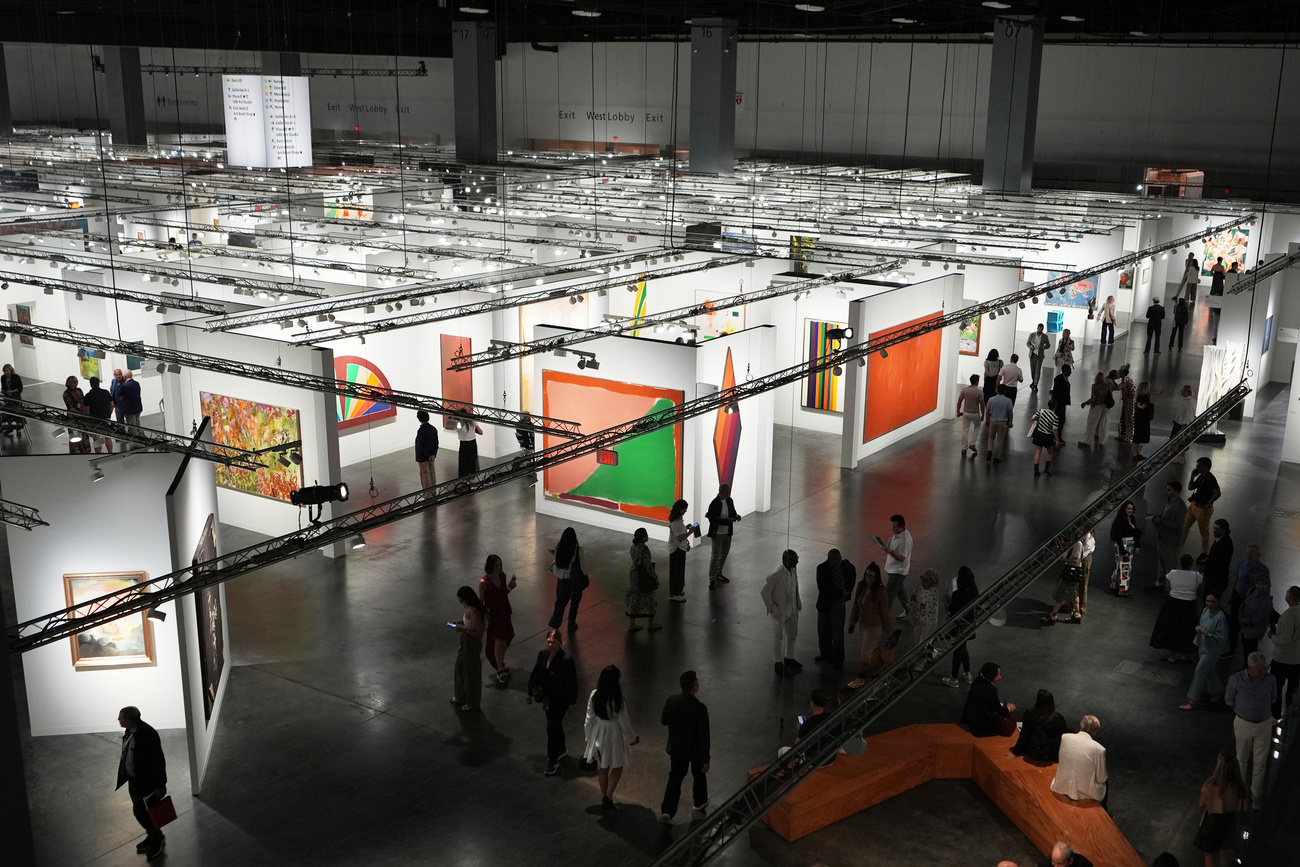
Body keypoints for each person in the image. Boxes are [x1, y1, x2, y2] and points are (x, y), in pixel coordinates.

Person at [583, 665, 639, 810]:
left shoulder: (594, 695)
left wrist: (589, 739)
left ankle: (604, 796)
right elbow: (625, 723)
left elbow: (589, 718)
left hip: (599, 732)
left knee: (603, 767)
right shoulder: (618, 699)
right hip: (614, 734)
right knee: (617, 765)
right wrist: (632, 739)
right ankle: (608, 795)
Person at [1225, 652, 1277, 803]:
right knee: (1241, 758)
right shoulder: (1236, 679)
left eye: (1264, 669)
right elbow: (1229, 700)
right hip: (1243, 723)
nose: (1263, 673)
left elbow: (1273, 698)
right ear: (1250, 668)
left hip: (1264, 724)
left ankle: (1256, 797)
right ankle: (1240, 794)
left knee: (1261, 761)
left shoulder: (1270, 680)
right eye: (1259, 670)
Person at [116, 705, 168, 859]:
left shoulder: (148, 734)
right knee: (142, 811)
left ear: (130, 720)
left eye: (121, 717)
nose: (118, 719)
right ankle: (153, 834)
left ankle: (156, 838)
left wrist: (160, 785)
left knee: (141, 811)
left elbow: (158, 761)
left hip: (146, 782)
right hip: (134, 780)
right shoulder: (130, 731)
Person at [660, 670, 710, 823]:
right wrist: (706, 758)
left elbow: (663, 721)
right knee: (699, 775)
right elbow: (704, 736)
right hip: (695, 751)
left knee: (675, 777)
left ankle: (667, 811)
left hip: (676, 750)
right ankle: (699, 803)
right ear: (694, 687)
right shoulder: (700, 709)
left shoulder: (672, 701)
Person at [526, 628, 578, 776]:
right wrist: (531, 691)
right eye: (548, 642)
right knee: (555, 725)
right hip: (548, 699)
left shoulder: (566, 660)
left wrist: (572, 701)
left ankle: (552, 760)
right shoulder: (543, 655)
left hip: (560, 700)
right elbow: (536, 673)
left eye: (553, 642)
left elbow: (571, 682)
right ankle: (561, 749)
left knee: (552, 728)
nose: (550, 645)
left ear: (560, 643)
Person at [1194, 751, 1249, 867]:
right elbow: (1245, 807)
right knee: (1222, 854)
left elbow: (1201, 803)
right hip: (1230, 824)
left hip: (1212, 825)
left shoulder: (1211, 785)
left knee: (1209, 856)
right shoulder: (1239, 787)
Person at [848, 562, 894, 687]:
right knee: (872, 650)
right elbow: (856, 606)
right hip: (863, 625)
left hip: (875, 626)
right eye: (866, 575)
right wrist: (853, 621)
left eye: (871, 576)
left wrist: (889, 631)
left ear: (876, 577)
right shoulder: (861, 586)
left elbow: (885, 611)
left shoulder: (880, 591)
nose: (868, 578)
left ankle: (860, 678)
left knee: (865, 652)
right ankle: (881, 667)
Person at [1150, 554, 1202, 662]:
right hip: (1189, 605)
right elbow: (1198, 591)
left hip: (1173, 604)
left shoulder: (1173, 573)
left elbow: (1167, 587)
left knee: (1171, 627)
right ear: (1191, 564)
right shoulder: (1197, 576)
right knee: (1186, 628)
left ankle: (1171, 655)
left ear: (1180, 563)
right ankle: (1184, 653)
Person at [1181, 593, 1229, 710]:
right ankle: (1218, 691)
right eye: (1207, 601)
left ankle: (1192, 700)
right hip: (1203, 646)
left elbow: (1222, 638)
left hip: (1213, 650)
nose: (1209, 604)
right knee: (1209, 671)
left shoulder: (1221, 618)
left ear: (1218, 602)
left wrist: (1206, 633)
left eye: (1212, 601)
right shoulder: (1205, 610)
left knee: (1200, 671)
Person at [761, 550, 803, 677]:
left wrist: (797, 604)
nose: (797, 561)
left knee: (792, 635)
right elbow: (764, 592)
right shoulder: (776, 574)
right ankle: (778, 662)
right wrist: (772, 608)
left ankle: (789, 658)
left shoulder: (793, 570)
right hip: (780, 612)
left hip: (792, 609)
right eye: (795, 559)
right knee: (778, 638)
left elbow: (795, 587)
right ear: (786, 560)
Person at [1052, 715, 1107, 808]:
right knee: (1105, 781)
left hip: (1061, 785)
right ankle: (1105, 809)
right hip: (1085, 792)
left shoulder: (1065, 737)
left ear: (1081, 725)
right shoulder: (1099, 750)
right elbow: (1101, 778)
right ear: (1095, 731)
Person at [815, 548, 857, 668]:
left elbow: (853, 573)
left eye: (838, 560)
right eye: (834, 561)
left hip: (838, 604)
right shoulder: (821, 568)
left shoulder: (846, 566)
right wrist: (841, 593)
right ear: (828, 560)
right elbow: (823, 589)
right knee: (823, 631)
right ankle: (825, 654)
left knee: (837, 633)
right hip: (825, 603)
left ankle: (838, 658)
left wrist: (849, 589)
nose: (837, 563)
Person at [479, 555, 517, 684]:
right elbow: (481, 602)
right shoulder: (484, 582)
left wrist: (510, 587)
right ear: (490, 566)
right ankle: (500, 667)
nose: (499, 568)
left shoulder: (502, 575)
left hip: (504, 611)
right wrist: (482, 618)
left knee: (505, 638)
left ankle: (500, 662)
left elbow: (502, 593)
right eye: (496, 565)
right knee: (498, 640)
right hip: (493, 614)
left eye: (500, 565)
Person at [451, 585, 487, 712]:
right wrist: (461, 622)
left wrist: (463, 630)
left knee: (471, 673)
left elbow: (479, 634)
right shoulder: (470, 610)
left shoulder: (476, 612)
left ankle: (472, 702)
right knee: (460, 668)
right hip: (465, 642)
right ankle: (460, 695)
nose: (461, 603)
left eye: (462, 601)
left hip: (472, 644)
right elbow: (469, 623)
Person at [942, 566, 978, 687]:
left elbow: (953, 611)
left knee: (957, 650)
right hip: (968, 625)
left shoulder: (957, 594)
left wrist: (948, 603)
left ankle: (953, 679)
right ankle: (967, 674)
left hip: (958, 626)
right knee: (963, 648)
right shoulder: (974, 591)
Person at [1229, 544, 1269, 654]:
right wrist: (1231, 595)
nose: (1248, 556)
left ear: (1258, 555)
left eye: (1251, 554)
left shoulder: (1263, 570)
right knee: (1233, 623)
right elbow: (1236, 579)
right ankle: (1231, 648)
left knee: (1249, 629)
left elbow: (1266, 588)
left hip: (1250, 602)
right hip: (1238, 596)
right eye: (1247, 553)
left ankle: (1249, 655)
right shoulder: (1241, 564)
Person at [1011, 689, 1068, 762]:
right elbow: (1065, 736)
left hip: (1033, 751)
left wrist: (1015, 752)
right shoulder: (1058, 718)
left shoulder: (1029, 715)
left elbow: (1024, 736)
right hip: (1051, 754)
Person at [1150, 481, 1188, 588]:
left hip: (1171, 541)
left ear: (1176, 492)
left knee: (1171, 565)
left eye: (1169, 490)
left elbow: (1178, 526)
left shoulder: (1181, 506)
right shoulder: (1169, 501)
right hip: (1162, 538)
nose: (1166, 491)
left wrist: (1161, 521)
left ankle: (1170, 588)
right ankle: (1160, 582)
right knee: (1161, 564)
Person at [962, 661, 1015, 737]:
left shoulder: (977, 681)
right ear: (990, 675)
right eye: (997, 675)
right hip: (981, 724)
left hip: (969, 718)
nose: (1000, 677)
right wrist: (1009, 708)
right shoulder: (990, 689)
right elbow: (1000, 711)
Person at [1270, 586, 1300, 719]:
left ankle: (1276, 715)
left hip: (1282, 659)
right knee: (1292, 690)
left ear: (1289, 597)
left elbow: (1285, 639)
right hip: (1297, 659)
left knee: (1276, 688)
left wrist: (1272, 636)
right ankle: (1290, 716)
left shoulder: (1289, 615)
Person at [548, 527, 587, 630]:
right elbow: (583, 568)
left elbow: (556, 566)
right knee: (574, 603)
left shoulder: (559, 549)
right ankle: (571, 624)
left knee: (560, 602)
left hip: (562, 580)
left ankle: (555, 623)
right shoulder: (578, 551)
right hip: (575, 581)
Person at [877, 514, 914, 619]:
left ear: (902, 526)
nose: (892, 529)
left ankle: (884, 618)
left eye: (894, 527)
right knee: (899, 591)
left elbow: (902, 558)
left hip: (898, 571)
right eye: (892, 526)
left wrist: (891, 551)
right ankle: (909, 609)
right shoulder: (898, 533)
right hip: (892, 568)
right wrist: (887, 547)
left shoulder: (905, 540)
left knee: (888, 595)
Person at [704, 483, 740, 588]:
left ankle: (718, 573)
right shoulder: (714, 503)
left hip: (727, 533)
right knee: (715, 556)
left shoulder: (730, 500)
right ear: (721, 492)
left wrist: (736, 516)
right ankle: (712, 578)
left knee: (724, 554)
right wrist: (726, 521)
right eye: (726, 492)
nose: (728, 494)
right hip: (718, 533)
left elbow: (732, 512)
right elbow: (712, 519)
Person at [1183, 457, 1222, 556]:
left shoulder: (1210, 479)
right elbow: (1190, 487)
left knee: (1204, 532)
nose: (1197, 468)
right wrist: (1192, 477)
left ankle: (1205, 552)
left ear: (1206, 466)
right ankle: (1180, 543)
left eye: (1199, 466)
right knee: (1185, 525)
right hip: (1194, 506)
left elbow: (1217, 493)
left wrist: (1208, 503)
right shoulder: (1201, 476)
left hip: (1202, 509)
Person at [626, 527, 661, 631]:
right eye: (646, 535)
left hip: (634, 574)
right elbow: (647, 566)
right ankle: (651, 623)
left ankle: (632, 624)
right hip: (644, 576)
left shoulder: (633, 547)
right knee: (650, 598)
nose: (647, 536)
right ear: (642, 537)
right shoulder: (645, 549)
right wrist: (655, 577)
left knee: (634, 598)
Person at [1041, 546, 1084, 625]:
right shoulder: (1076, 544)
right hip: (1073, 573)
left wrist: (1062, 559)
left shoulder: (1078, 544)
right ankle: (1077, 614)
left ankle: (1053, 615)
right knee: (1074, 593)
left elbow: (1076, 560)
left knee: (1061, 592)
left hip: (1071, 572)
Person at [1109, 500, 1141, 598]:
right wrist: (1124, 551)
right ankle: (1122, 591)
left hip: (1129, 545)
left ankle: (1115, 584)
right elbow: (1118, 536)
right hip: (1123, 546)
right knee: (1125, 568)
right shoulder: (1120, 520)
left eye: (1131, 509)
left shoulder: (1132, 518)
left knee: (1121, 566)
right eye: (1128, 508)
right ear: (1124, 509)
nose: (1130, 510)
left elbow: (1135, 532)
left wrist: (1136, 545)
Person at [1238, 576, 1274, 660]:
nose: (1260, 586)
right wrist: (1241, 615)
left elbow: (1259, 618)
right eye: (1258, 583)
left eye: (1263, 584)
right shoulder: (1252, 590)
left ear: (1268, 585)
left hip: (1254, 630)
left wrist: (1243, 621)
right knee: (1245, 650)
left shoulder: (1266, 600)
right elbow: (1244, 604)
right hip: (1245, 627)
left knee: (1251, 652)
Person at [1078, 371, 1115, 448]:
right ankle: (1102, 441)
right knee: (1103, 424)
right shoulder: (1107, 386)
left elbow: (1093, 398)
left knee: (1091, 424)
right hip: (1105, 407)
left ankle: (1087, 441)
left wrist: (1085, 403)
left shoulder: (1095, 386)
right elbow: (1110, 395)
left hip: (1097, 406)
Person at [667, 499, 693, 602]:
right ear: (681, 509)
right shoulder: (677, 522)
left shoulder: (676, 521)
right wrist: (690, 532)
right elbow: (680, 538)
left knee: (676, 572)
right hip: (677, 550)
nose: (686, 511)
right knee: (678, 572)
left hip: (676, 550)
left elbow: (678, 534)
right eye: (685, 509)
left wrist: (685, 528)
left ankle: (675, 592)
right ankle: (675, 593)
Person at [1202, 519, 1234, 603]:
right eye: (1214, 528)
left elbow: (1217, 563)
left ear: (1224, 530)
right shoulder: (1221, 539)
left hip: (1216, 579)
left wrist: (1206, 572)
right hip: (1214, 578)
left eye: (1217, 529)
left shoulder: (1224, 545)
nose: (1214, 531)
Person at [82, 375, 115, 453]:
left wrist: (87, 419)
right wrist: (109, 414)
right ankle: (110, 452)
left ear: (91, 384)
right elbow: (112, 405)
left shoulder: (88, 395)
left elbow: (87, 410)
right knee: (107, 436)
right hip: (105, 418)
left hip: (94, 420)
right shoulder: (106, 392)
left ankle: (98, 454)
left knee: (96, 437)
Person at [1030, 399, 1062, 477]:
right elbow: (1054, 429)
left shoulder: (1041, 411)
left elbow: (1032, 418)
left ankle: (1036, 470)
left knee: (1038, 452)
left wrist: (1039, 420)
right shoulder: (1055, 417)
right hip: (1048, 436)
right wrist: (1057, 440)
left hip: (1039, 434)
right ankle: (1046, 469)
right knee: (1050, 452)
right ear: (1055, 407)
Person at [956, 373, 985, 456]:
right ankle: (972, 443)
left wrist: (958, 411)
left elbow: (959, 402)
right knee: (977, 427)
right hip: (975, 413)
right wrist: (983, 414)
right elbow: (982, 404)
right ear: (977, 382)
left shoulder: (964, 390)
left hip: (966, 413)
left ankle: (964, 448)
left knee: (965, 430)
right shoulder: (979, 392)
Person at [909, 568, 941, 645]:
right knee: (917, 643)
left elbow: (926, 611)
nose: (922, 581)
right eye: (921, 578)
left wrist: (916, 604)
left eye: (925, 580)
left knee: (924, 644)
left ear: (932, 582)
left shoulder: (934, 593)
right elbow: (910, 601)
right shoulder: (918, 587)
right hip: (918, 619)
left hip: (928, 623)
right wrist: (920, 605)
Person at [985, 385, 1015, 465]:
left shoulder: (991, 399)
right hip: (1003, 422)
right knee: (999, 440)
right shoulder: (1008, 401)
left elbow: (987, 412)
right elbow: (1010, 413)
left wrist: (987, 421)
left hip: (993, 421)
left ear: (996, 390)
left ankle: (989, 450)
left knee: (991, 437)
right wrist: (1010, 422)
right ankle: (996, 457)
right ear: (1005, 391)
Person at [414, 410, 439, 498]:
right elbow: (436, 443)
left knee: (425, 475)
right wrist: (433, 455)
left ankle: (427, 495)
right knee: (432, 473)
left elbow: (421, 445)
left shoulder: (421, 431)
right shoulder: (433, 429)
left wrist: (427, 455)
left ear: (419, 419)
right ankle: (434, 492)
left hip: (423, 457)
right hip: (431, 456)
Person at [61, 375, 88, 454]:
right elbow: (70, 407)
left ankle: (85, 450)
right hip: (72, 418)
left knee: (84, 435)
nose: (74, 383)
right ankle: (76, 452)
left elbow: (83, 402)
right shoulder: (66, 393)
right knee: (74, 436)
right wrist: (79, 413)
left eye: (75, 382)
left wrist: (84, 412)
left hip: (82, 417)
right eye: (71, 382)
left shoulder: (79, 390)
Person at [1170, 385, 1196, 464]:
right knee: (1181, 442)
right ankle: (1182, 458)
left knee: (1180, 442)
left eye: (1182, 390)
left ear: (1186, 392)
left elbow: (1188, 414)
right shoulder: (1187, 401)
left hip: (1182, 424)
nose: (1181, 392)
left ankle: (1181, 458)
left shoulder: (1188, 402)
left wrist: (1184, 424)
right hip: (1180, 423)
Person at [1027, 323, 1052, 390]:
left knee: (1037, 370)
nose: (1040, 330)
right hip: (1032, 354)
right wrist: (1031, 347)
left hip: (1040, 355)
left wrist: (1043, 347)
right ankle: (1033, 381)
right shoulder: (1032, 335)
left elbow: (1048, 345)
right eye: (1039, 328)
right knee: (1033, 369)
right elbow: (1028, 343)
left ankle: (1035, 384)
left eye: (1041, 329)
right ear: (1037, 328)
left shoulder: (1045, 337)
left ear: (1043, 329)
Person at [1116, 365, 1137, 447]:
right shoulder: (1125, 380)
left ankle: (1128, 436)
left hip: (1129, 402)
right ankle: (1124, 434)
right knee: (1124, 417)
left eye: (1119, 372)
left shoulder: (1126, 380)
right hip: (1126, 401)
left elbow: (1119, 387)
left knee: (1128, 418)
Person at [1050, 364, 1072, 432]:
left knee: (1061, 419)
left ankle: (1058, 435)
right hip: (1060, 403)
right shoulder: (1059, 380)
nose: (1070, 372)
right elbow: (1057, 393)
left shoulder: (1064, 379)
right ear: (1064, 371)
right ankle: (1057, 435)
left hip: (1062, 403)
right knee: (1060, 419)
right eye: (1069, 371)